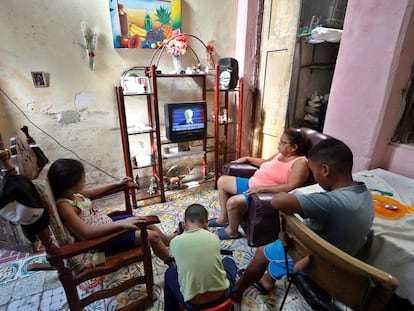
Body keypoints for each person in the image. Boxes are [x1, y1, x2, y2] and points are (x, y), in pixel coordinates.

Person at [231, 138, 375, 302]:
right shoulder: (364, 192)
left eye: (314, 172)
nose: (315, 178)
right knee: (281, 247)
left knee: (262, 252)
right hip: (343, 257)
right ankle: (267, 280)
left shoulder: (331, 202)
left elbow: (278, 201)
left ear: (325, 170)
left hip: (319, 261)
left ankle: (237, 290)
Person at [47, 158, 172, 261]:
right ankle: (173, 265)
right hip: (102, 240)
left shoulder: (73, 194)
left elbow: (93, 191)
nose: (85, 181)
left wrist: (116, 184)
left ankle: (167, 240)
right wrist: (122, 224)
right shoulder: (64, 206)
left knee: (145, 221)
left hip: (108, 224)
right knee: (152, 236)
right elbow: (86, 233)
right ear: (70, 186)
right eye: (83, 180)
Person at [209, 128, 309, 240]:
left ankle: (232, 231)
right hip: (252, 184)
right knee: (222, 181)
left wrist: (262, 189)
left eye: (283, 142)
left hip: (263, 193)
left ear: (294, 147)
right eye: (280, 141)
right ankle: (224, 219)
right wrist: (247, 158)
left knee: (232, 202)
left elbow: (291, 186)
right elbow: (266, 163)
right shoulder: (280, 154)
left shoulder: (300, 163)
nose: (279, 144)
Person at [164, 204, 238, 311]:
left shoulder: (174, 242)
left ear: (184, 224)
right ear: (207, 224)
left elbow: (179, 265)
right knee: (228, 261)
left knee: (170, 272)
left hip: (192, 304)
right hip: (222, 296)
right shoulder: (214, 237)